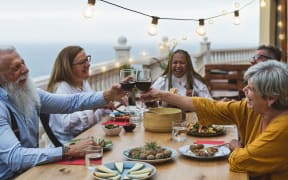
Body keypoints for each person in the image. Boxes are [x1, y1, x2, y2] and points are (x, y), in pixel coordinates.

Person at [141, 60, 288, 179]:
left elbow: (241, 162)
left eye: (250, 89)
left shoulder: (282, 129)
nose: (244, 90)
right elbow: (210, 106)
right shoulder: (253, 110)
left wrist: (237, 149)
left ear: (271, 98)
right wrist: (161, 94)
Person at [0, 46, 126, 179]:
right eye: (16, 67)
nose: (26, 69)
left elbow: (72, 102)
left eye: (23, 63)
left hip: (33, 170)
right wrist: (67, 150)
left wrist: (107, 95)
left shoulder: (30, 93)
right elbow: (15, 157)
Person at [46, 46, 111, 144]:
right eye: (82, 62)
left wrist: (105, 106)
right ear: (68, 67)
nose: (88, 64)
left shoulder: (83, 83)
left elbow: (94, 116)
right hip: (69, 146)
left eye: (87, 60)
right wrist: (94, 106)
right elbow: (67, 124)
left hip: (89, 138)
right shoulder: (60, 89)